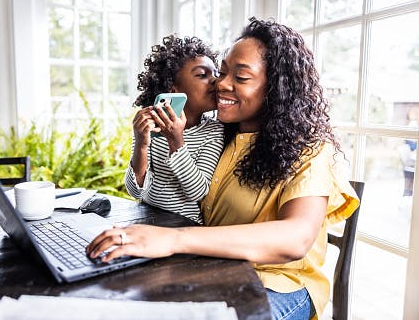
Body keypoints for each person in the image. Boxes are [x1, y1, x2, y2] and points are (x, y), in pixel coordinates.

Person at [88, 18, 359, 320]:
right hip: (215, 267)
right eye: (224, 71)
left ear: (277, 89)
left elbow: (295, 239)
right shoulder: (221, 136)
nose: (221, 83)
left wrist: (174, 240)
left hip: (279, 283)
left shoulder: (310, 150)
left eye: (240, 77)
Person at [124, 34, 224, 224]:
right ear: (172, 90)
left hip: (184, 228)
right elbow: (135, 191)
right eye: (203, 75)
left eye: (216, 74)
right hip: (147, 221)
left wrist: (176, 141)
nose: (215, 81)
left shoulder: (213, 132)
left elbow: (198, 191)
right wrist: (141, 145)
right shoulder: (151, 128)